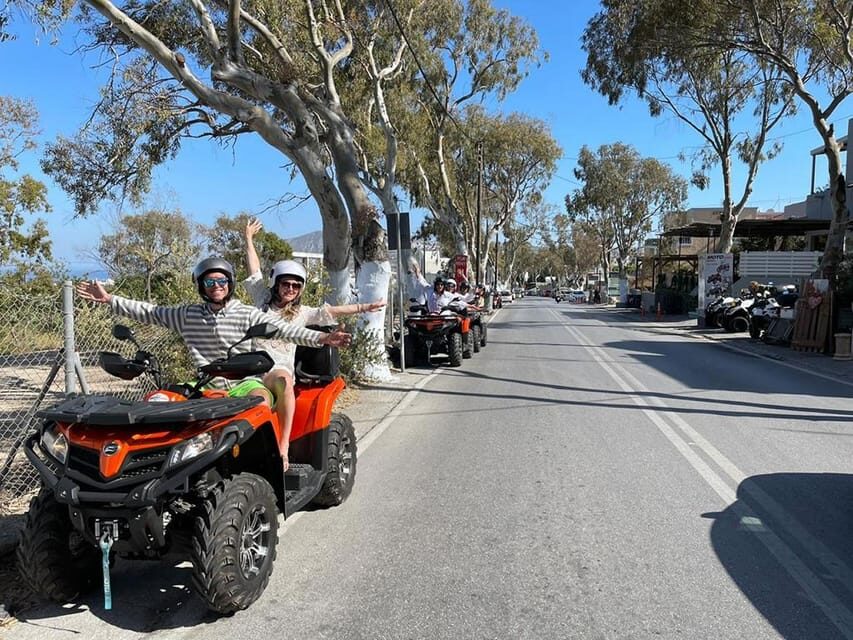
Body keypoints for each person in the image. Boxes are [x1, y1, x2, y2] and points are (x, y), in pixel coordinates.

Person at [76, 257, 353, 470]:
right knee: (157, 399)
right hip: (203, 383)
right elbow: (149, 312)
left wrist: (324, 338)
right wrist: (110, 299)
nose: (217, 286)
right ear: (201, 286)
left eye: (222, 281)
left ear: (230, 284)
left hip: (244, 382)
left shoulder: (246, 314)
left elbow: (287, 330)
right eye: (210, 282)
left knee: (257, 403)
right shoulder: (186, 315)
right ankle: (149, 465)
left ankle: (265, 460)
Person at [244, 219, 385, 469]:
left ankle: (283, 448)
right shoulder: (261, 301)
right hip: (250, 370)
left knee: (284, 382)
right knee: (255, 402)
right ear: (276, 284)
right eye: (285, 284)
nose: (290, 289)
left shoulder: (303, 314)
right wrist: (248, 239)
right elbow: (253, 270)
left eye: (295, 286)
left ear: (300, 290)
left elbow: (333, 311)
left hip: (278, 370)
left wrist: (365, 306)